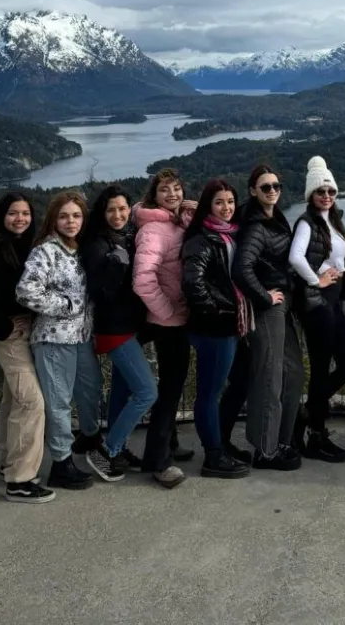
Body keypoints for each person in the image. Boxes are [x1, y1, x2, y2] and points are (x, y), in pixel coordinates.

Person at [0, 192, 54, 504]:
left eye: (25, 213)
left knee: (14, 399)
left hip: (19, 331)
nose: (20, 219)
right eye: (13, 213)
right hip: (9, 335)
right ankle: (21, 479)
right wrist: (4, 328)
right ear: (2, 216)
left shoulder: (22, 247)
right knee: (32, 401)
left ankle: (9, 464)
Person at [16, 191, 101, 491]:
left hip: (81, 337)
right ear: (53, 218)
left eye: (76, 215)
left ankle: (89, 439)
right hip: (53, 339)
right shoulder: (46, 251)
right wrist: (65, 306)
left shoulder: (79, 249)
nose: (71, 221)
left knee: (91, 391)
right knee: (59, 403)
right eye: (64, 216)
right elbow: (26, 291)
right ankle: (61, 463)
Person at [81, 186, 156, 482]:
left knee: (123, 391)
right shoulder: (97, 243)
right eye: (111, 209)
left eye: (123, 209)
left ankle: (119, 448)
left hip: (129, 326)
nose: (118, 215)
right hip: (114, 328)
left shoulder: (128, 236)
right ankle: (107, 450)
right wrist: (118, 263)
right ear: (102, 212)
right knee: (147, 391)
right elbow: (102, 289)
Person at [233, 164, 304, 471]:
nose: (272, 190)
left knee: (294, 372)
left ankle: (282, 440)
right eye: (265, 187)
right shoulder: (255, 226)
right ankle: (265, 449)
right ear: (252, 191)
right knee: (270, 377)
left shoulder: (274, 218)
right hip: (268, 309)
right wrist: (265, 297)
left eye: (276, 185)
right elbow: (241, 269)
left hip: (283, 304)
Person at [181, 179, 251, 479]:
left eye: (231, 202)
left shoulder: (230, 235)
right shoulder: (201, 239)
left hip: (232, 325)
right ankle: (212, 455)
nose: (226, 208)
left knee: (241, 381)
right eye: (219, 202)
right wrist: (219, 311)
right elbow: (191, 282)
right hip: (216, 328)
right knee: (209, 392)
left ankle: (220, 441)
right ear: (208, 205)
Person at [288, 157, 345, 463]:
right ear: (310, 195)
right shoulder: (307, 221)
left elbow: (337, 254)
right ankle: (315, 433)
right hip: (317, 305)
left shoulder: (333, 220)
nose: (326, 196)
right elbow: (295, 257)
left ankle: (305, 414)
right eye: (320, 191)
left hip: (331, 302)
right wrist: (317, 279)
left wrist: (336, 269)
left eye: (330, 190)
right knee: (321, 367)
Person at [133, 168, 195, 489]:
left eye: (176, 188)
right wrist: (167, 311)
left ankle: (168, 444)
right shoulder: (154, 230)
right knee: (170, 390)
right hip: (168, 322)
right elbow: (143, 280)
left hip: (175, 319)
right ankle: (158, 461)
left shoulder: (173, 222)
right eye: (164, 190)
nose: (172, 194)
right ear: (153, 196)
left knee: (174, 383)